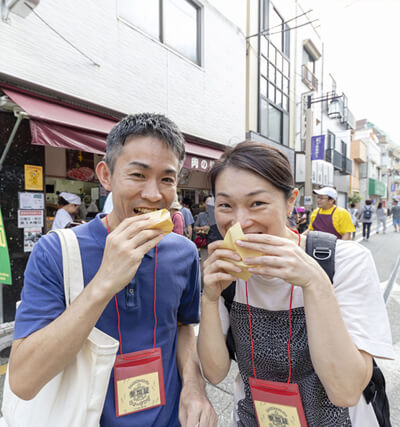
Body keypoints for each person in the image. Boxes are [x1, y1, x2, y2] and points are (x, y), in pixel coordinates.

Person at [10, 114, 217, 426]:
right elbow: (23, 381)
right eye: (137, 175)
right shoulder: (55, 251)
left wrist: (194, 384)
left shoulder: (184, 252)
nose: (153, 194)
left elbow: (183, 326)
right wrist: (104, 282)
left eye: (167, 179)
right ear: (106, 176)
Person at [197, 141, 393, 426]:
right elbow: (214, 373)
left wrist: (314, 282)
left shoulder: (347, 262)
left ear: (291, 201)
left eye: (257, 203)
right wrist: (210, 297)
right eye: (226, 205)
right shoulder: (229, 275)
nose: (240, 222)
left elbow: (346, 391)